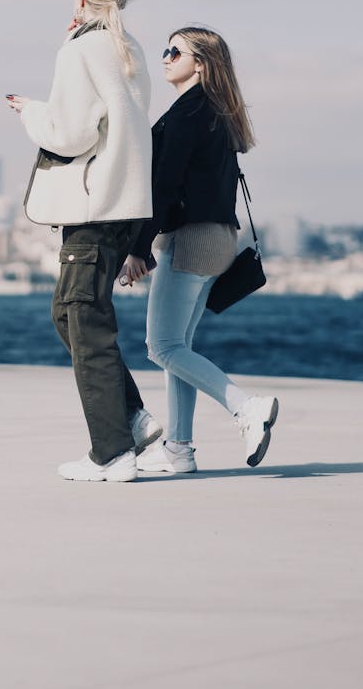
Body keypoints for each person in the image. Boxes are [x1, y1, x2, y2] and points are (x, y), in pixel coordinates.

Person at [7, 0, 161, 482]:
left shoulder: (80, 48)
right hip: (125, 205)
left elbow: (70, 134)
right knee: (70, 313)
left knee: (82, 319)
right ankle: (133, 420)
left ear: (79, 0)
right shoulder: (131, 48)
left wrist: (30, 111)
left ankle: (111, 454)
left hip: (93, 208)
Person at [122, 26, 279, 473]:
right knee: (180, 346)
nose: (166, 56)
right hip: (219, 239)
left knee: (163, 347)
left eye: (176, 50)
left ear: (202, 63)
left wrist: (137, 247)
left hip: (190, 239)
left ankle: (246, 407)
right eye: (165, 49)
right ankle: (179, 449)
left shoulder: (190, 113)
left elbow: (165, 187)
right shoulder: (216, 113)